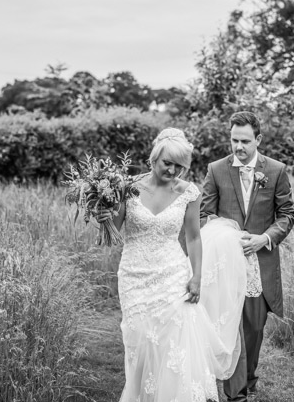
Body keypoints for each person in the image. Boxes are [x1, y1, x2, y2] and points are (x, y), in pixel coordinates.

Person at [98, 128, 250, 402]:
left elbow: (193, 238)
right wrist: (103, 214)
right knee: (139, 341)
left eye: (180, 166)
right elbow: (114, 230)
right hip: (134, 276)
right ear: (154, 158)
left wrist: (197, 277)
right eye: (168, 163)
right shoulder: (128, 188)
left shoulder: (189, 193)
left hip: (173, 275)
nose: (173, 171)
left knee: (174, 343)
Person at [200, 111, 294, 402]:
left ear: (259, 139)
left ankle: (249, 377)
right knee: (232, 328)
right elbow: (205, 213)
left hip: (259, 264)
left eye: (245, 141)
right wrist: (225, 235)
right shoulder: (216, 169)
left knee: (254, 330)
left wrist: (264, 238)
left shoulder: (276, 170)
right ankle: (236, 393)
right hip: (225, 264)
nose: (238, 146)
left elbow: (287, 214)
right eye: (234, 140)